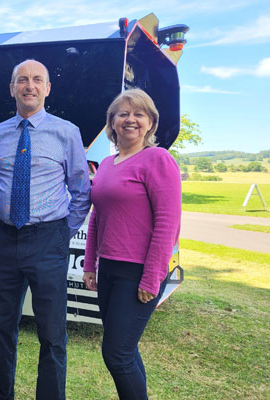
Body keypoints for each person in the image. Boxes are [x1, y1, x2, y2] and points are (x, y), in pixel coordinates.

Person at [0, 59, 91, 400]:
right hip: (4, 241)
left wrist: (62, 232)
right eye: (22, 80)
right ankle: (2, 395)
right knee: (1, 326)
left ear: (47, 88)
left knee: (51, 332)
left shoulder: (67, 132)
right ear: (12, 88)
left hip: (48, 241)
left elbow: (81, 190)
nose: (29, 85)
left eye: (37, 80)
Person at [82, 88, 181, 400]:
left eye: (139, 114)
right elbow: (97, 216)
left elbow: (168, 223)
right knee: (125, 349)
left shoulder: (158, 160)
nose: (130, 119)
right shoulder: (108, 164)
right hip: (110, 268)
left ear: (150, 123)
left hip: (139, 271)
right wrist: (90, 265)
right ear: (112, 122)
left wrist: (152, 277)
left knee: (116, 353)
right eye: (123, 113)